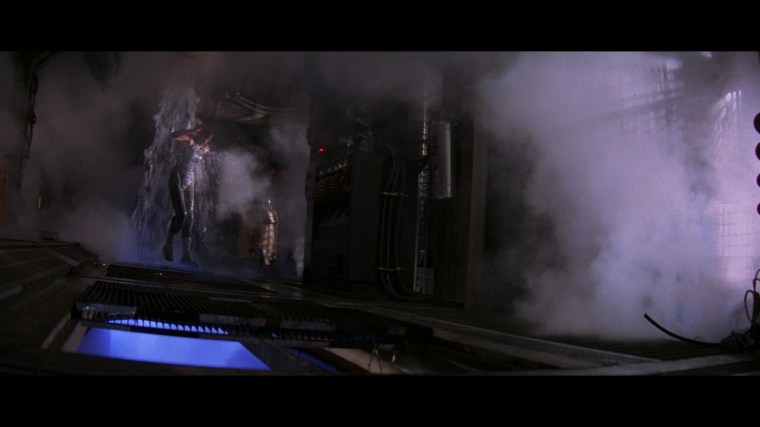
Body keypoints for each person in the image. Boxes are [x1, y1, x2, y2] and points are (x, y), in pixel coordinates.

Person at [162, 123, 213, 266]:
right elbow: (173, 135)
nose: (205, 141)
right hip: (177, 179)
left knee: (190, 217)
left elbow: (200, 158)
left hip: (190, 182)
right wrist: (193, 130)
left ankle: (186, 255)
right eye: (204, 138)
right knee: (181, 215)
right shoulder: (190, 138)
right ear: (200, 134)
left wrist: (205, 152)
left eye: (208, 140)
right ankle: (168, 245)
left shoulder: (203, 147)